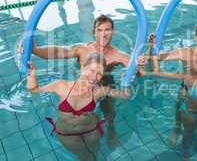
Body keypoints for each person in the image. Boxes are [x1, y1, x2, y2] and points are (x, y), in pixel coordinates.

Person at [20, 14, 135, 147]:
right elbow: (57, 52)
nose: (103, 34)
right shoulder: (82, 50)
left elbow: (138, 70)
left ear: (113, 32)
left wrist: (133, 72)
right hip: (84, 87)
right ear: (94, 32)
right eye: (99, 30)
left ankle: (111, 129)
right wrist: (34, 50)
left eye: (107, 30)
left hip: (104, 87)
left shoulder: (119, 55)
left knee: (109, 112)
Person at [27, 53, 131, 161]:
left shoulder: (99, 91)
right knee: (85, 157)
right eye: (92, 70)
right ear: (82, 68)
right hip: (67, 134)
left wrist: (126, 82)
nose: (94, 77)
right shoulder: (62, 86)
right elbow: (34, 90)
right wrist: (32, 75)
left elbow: (125, 95)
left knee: (95, 154)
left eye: (99, 74)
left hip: (91, 131)